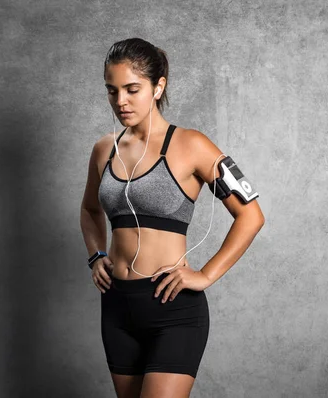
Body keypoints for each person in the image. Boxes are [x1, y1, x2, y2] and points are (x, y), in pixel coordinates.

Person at [79, 37, 265, 398]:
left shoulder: (192, 145)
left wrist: (206, 274)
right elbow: (89, 210)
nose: (121, 101)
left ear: (158, 85)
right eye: (112, 91)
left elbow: (251, 215)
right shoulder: (104, 149)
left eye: (132, 89)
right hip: (117, 308)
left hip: (172, 309)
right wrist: (95, 254)